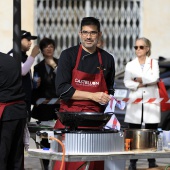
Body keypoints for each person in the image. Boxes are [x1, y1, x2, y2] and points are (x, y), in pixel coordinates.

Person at [54, 17, 115, 170]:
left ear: (99, 35)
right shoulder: (68, 55)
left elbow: (110, 89)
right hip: (70, 120)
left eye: (93, 33)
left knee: (93, 164)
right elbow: (62, 89)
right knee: (68, 164)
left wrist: (108, 98)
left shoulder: (107, 59)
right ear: (80, 34)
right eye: (85, 33)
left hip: (95, 121)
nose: (89, 37)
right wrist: (92, 95)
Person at [123, 37, 160, 170]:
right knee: (133, 131)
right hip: (136, 101)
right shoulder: (130, 64)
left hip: (151, 102)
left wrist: (140, 79)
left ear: (147, 49)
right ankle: (133, 161)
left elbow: (155, 77)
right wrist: (141, 83)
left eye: (141, 47)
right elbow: (127, 82)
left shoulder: (153, 63)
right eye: (136, 47)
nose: (138, 50)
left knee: (151, 130)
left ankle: (151, 160)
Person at [31, 37, 59, 170]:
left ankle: (57, 163)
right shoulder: (38, 67)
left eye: (51, 46)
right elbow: (35, 88)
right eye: (46, 46)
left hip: (58, 109)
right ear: (42, 50)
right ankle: (46, 164)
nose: (49, 48)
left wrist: (54, 65)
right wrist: (35, 86)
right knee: (44, 139)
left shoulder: (59, 64)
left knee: (58, 138)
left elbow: (64, 80)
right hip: (43, 110)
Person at [0, 52, 28, 170]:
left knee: (2, 156)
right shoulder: (10, 59)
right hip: (18, 112)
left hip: (6, 113)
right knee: (16, 158)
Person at [7, 30, 40, 121]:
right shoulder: (13, 54)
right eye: (28, 40)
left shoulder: (24, 56)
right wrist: (33, 55)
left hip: (25, 99)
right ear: (19, 40)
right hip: (17, 101)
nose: (30, 43)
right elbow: (22, 71)